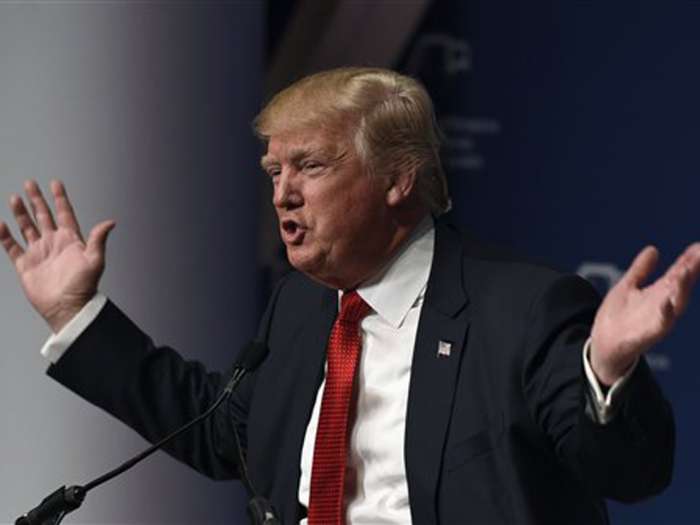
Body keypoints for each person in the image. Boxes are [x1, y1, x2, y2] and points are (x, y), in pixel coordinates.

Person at [1, 67, 698, 525]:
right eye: (274, 169)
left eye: (310, 165)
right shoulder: (302, 307)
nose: (282, 193)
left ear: (400, 177)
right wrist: (75, 315)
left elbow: (632, 472)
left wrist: (604, 374)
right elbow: (221, 431)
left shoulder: (520, 308)